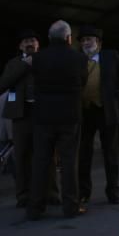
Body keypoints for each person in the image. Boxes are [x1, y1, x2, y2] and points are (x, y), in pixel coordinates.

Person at [28, 20, 88, 220]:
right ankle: (70, 207)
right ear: (69, 38)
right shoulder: (79, 58)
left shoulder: (38, 58)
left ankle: (35, 208)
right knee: (69, 162)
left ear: (49, 38)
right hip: (69, 116)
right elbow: (83, 82)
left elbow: (34, 81)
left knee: (40, 161)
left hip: (43, 116)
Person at [76, 25, 119, 206]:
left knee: (110, 154)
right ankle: (84, 192)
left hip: (107, 111)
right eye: (83, 40)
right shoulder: (77, 59)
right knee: (84, 155)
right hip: (85, 112)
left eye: (90, 39)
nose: (86, 43)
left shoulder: (110, 56)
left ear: (99, 43)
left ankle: (113, 192)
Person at [0, 29, 59, 208]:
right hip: (21, 114)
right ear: (20, 46)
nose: (29, 43)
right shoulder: (13, 63)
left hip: (43, 113)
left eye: (32, 40)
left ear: (38, 44)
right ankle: (23, 195)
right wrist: (25, 64)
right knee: (21, 155)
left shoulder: (47, 60)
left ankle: (52, 193)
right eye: (25, 41)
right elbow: (4, 83)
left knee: (48, 154)